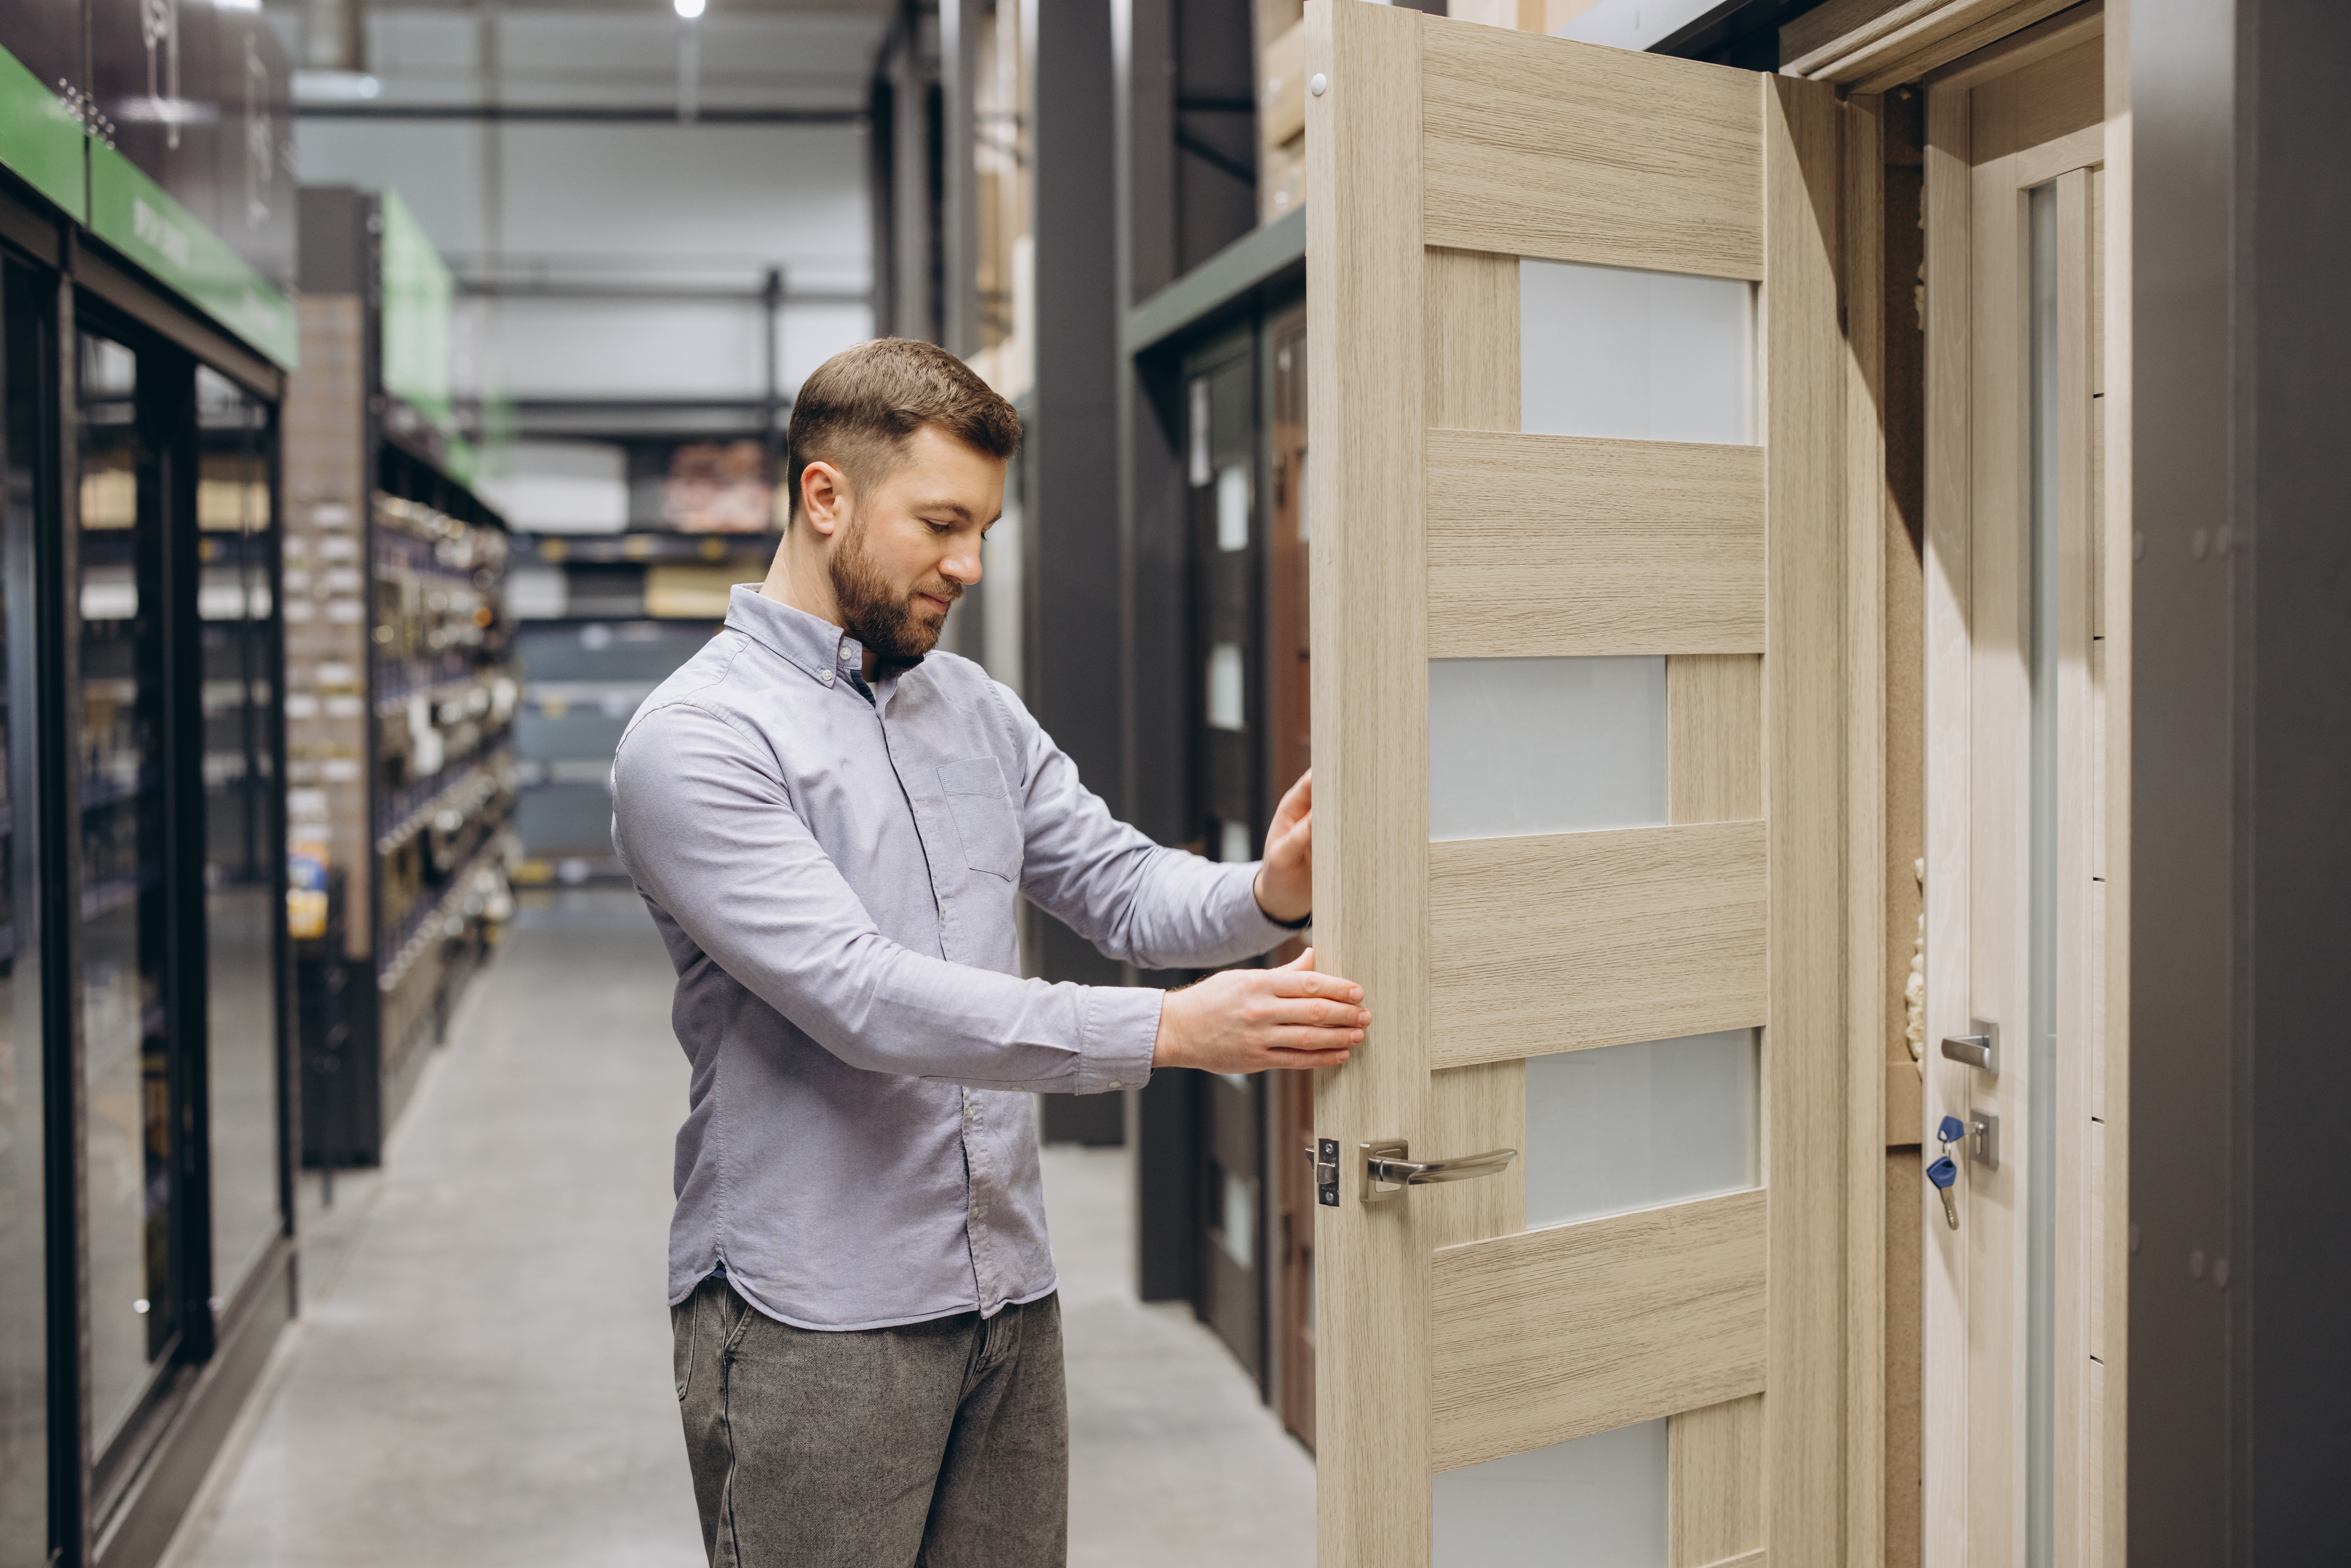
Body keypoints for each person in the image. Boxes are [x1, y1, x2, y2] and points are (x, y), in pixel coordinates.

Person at [610, 336, 1367, 1567]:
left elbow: (1118, 887)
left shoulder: (970, 706)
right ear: (824, 496)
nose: (966, 564)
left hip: (1006, 1289)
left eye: (984, 530)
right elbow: (863, 998)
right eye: (941, 523)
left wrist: (1267, 891)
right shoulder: (697, 741)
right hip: (817, 1318)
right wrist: (1166, 1032)